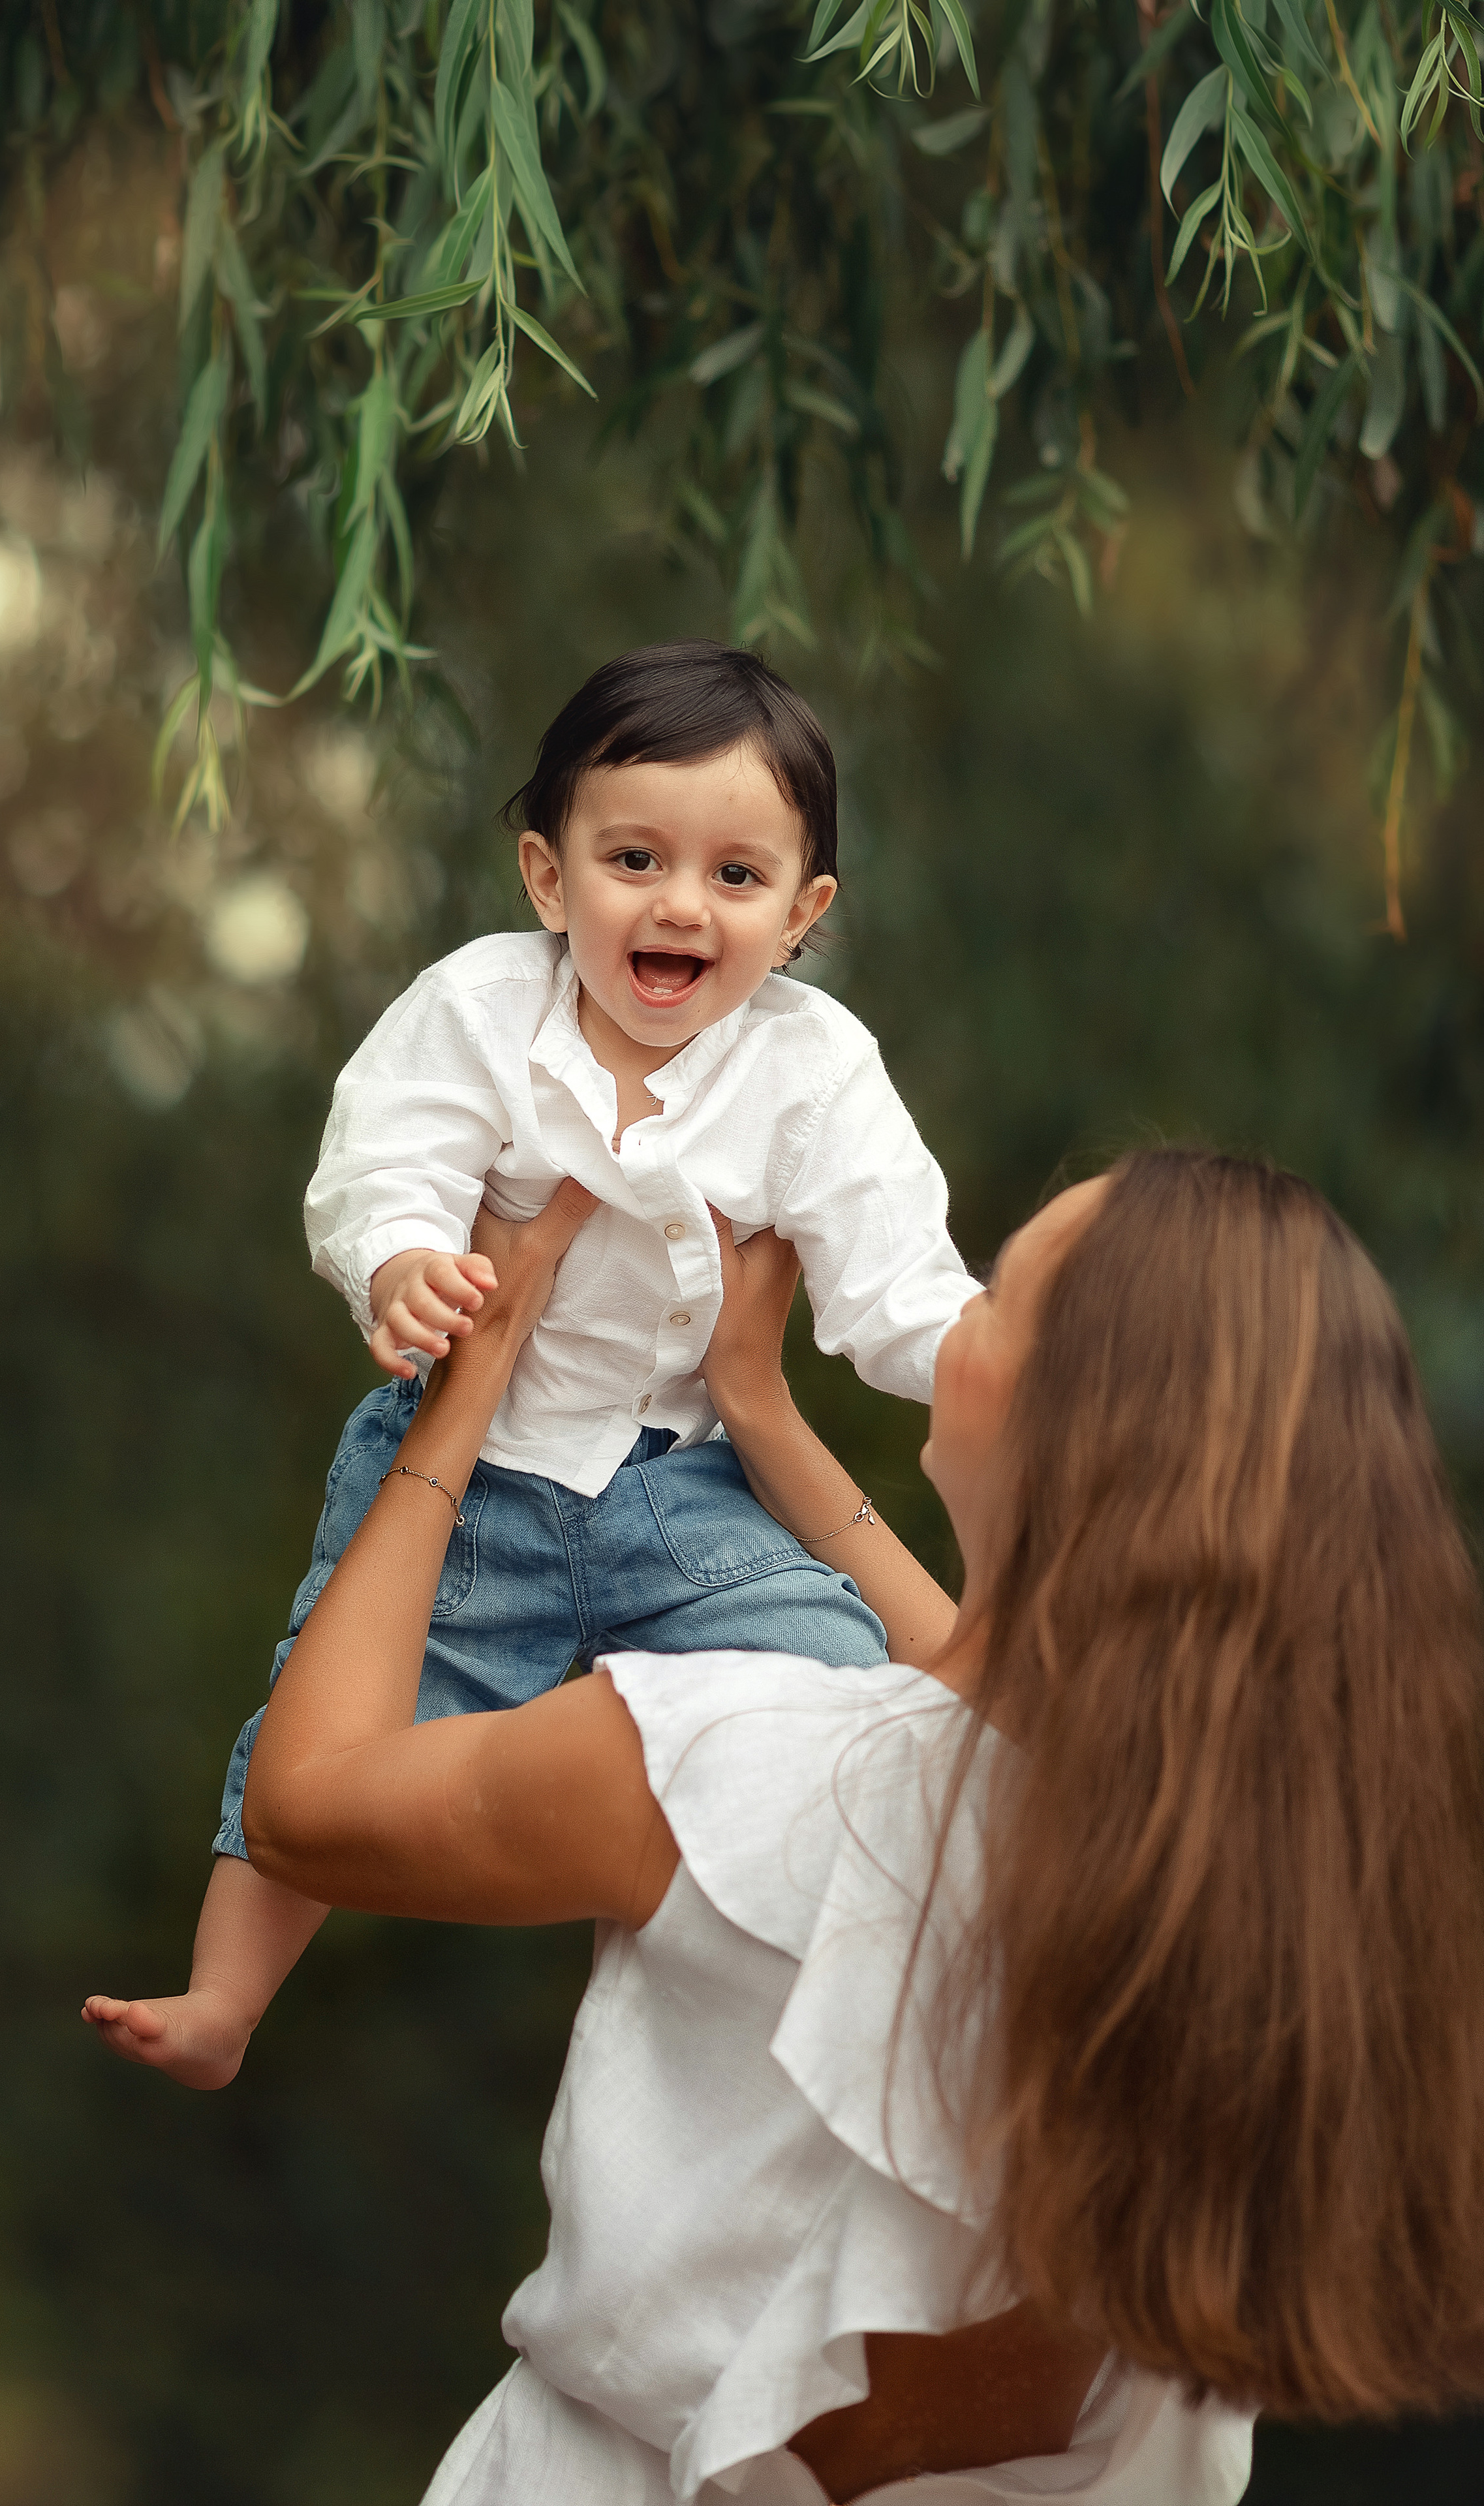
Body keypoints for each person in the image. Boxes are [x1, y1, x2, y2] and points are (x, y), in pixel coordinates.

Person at [234, 1146, 1484, 2503]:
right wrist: (756, 1411)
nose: (956, 1315)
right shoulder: (1251, 1906)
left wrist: (462, 1408)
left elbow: (304, 1806)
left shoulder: (711, 1764)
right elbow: (967, 1718)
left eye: (999, 1294)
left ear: (1075, 1416)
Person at [84, 640, 976, 2087]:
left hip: (682, 1484)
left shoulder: (815, 1073)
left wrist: (986, 1360)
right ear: (549, 879)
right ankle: (223, 2002)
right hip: (467, 1470)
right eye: (635, 858)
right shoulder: (479, 1009)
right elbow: (387, 1152)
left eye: (736, 879)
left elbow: (893, 1281)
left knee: (842, 1674)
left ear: (804, 913)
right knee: (333, 1719)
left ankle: (870, 2007)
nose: (681, 903)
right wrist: (403, 1262)